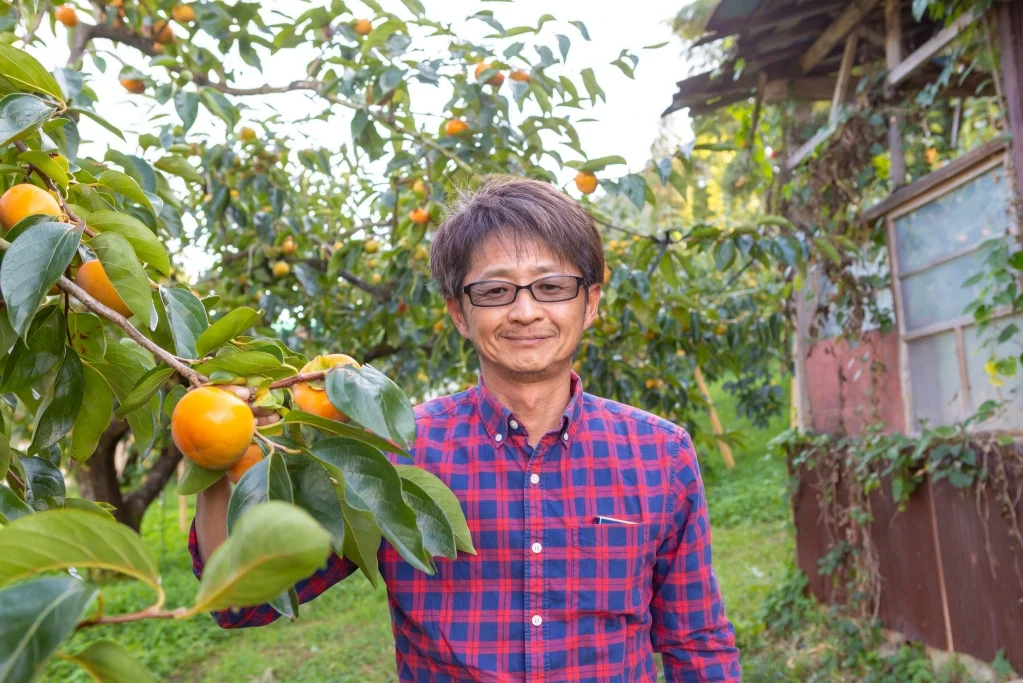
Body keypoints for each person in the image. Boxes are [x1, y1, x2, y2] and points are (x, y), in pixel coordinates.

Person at [191, 175, 741, 681]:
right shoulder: (392, 454)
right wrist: (217, 450)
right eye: (496, 291)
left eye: (551, 287)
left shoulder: (660, 454)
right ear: (459, 312)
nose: (526, 312)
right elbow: (244, 602)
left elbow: (697, 641)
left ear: (589, 302)